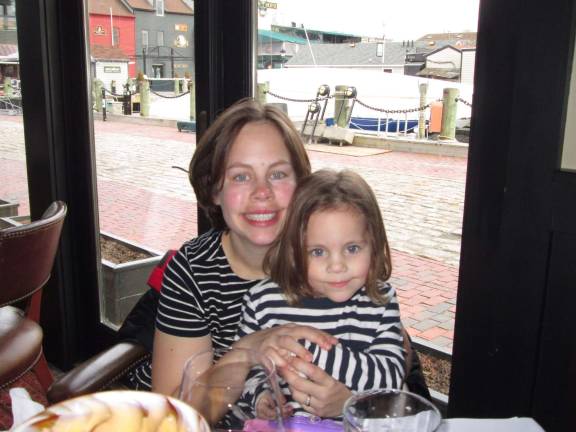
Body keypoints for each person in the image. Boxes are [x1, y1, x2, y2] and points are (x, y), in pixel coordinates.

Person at [133, 98, 345, 409]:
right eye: (241, 176)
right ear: (215, 190)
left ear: (302, 185)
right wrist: (247, 351)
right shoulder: (193, 272)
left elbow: (394, 365)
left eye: (278, 174)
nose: (262, 192)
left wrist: (351, 402)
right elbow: (175, 415)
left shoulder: (334, 255)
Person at [236, 169, 406, 419]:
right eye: (318, 252)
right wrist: (260, 397)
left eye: (352, 248)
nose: (337, 266)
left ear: (374, 244)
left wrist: (307, 348)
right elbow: (246, 370)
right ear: (294, 252)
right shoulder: (262, 303)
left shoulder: (379, 303)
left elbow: (390, 377)